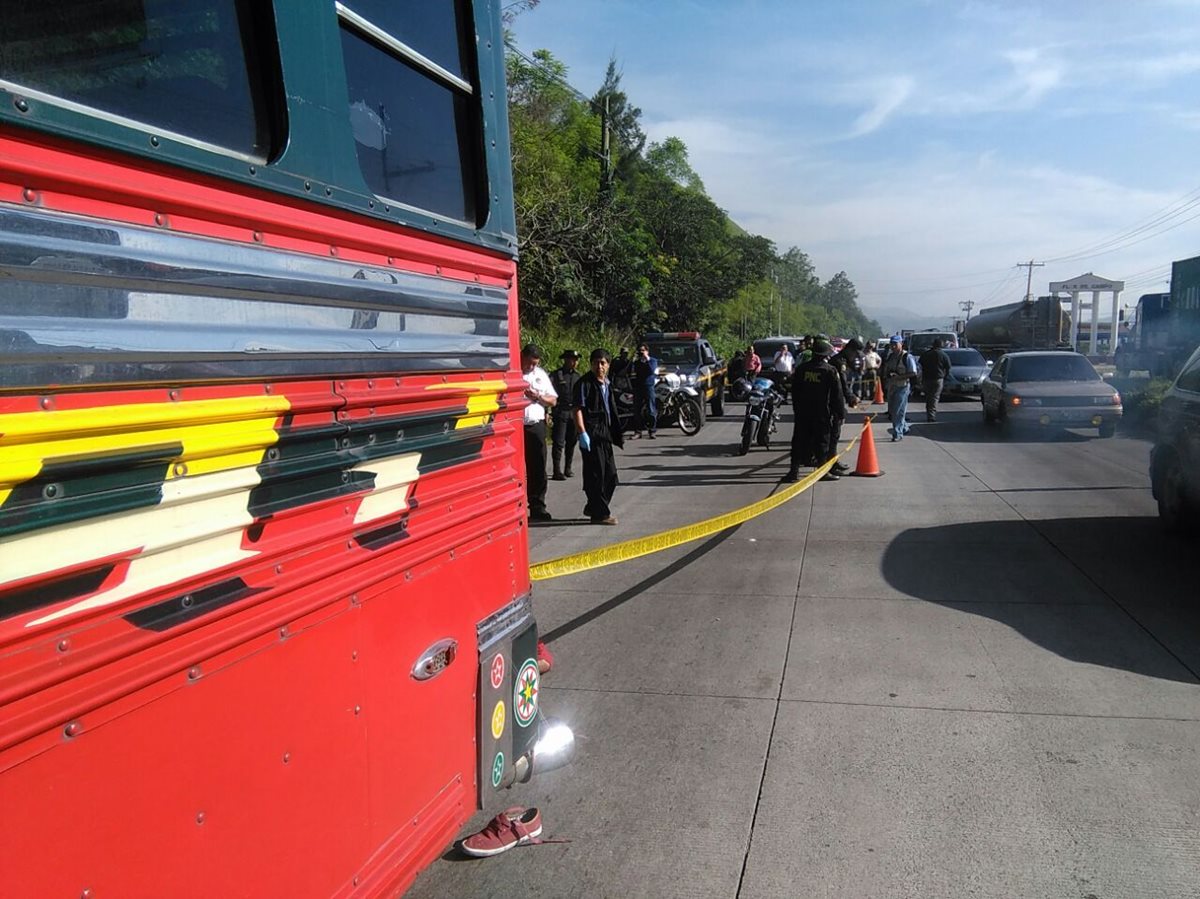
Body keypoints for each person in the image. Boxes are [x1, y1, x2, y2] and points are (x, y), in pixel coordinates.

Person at [784, 338, 846, 483]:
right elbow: (837, 395)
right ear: (825, 355)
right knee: (822, 442)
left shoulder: (801, 369)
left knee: (799, 441)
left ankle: (793, 472)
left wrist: (797, 409)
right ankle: (822, 472)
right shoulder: (830, 371)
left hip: (803, 413)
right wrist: (840, 413)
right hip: (822, 413)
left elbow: (795, 391)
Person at [573, 348, 625, 524]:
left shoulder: (607, 384)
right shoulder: (584, 384)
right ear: (591, 364)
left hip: (605, 435)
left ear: (608, 365)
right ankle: (600, 514)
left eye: (603, 363)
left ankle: (592, 505)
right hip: (591, 435)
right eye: (596, 362)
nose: (599, 366)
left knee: (610, 476)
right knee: (596, 476)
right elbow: (577, 409)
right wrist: (582, 432)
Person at [520, 343, 557, 521]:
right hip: (516, 426)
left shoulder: (540, 375)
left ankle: (537, 506)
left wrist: (538, 397)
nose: (531, 367)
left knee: (538, 466)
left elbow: (553, 400)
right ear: (522, 357)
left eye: (535, 363)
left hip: (535, 425)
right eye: (529, 363)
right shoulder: (512, 372)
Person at [550, 348, 582, 479]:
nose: (574, 362)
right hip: (561, 411)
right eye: (572, 360)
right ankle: (557, 470)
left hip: (573, 412)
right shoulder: (556, 375)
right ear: (566, 360)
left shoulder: (577, 376)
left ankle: (567, 468)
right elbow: (549, 392)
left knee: (571, 441)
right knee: (558, 442)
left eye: (576, 360)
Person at [881, 335, 918, 441]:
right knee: (892, 411)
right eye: (891, 344)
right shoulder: (891, 356)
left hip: (903, 386)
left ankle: (897, 433)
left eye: (895, 344)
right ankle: (904, 427)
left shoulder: (907, 357)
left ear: (901, 344)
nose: (893, 347)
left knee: (898, 411)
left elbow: (913, 373)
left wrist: (899, 377)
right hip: (892, 386)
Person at [917, 338, 952, 422]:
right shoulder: (943, 355)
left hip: (926, 378)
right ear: (941, 345)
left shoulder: (926, 354)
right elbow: (948, 367)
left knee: (928, 397)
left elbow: (920, 364)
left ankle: (929, 413)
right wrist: (945, 377)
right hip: (938, 379)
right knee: (934, 397)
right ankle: (931, 416)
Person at [632, 343, 659, 439]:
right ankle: (638, 431)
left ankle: (652, 431)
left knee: (651, 409)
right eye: (640, 350)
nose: (641, 352)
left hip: (649, 386)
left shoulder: (653, 361)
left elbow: (651, 370)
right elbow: (633, 372)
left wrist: (646, 360)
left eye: (643, 350)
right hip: (638, 387)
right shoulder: (637, 362)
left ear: (647, 351)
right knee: (637, 410)